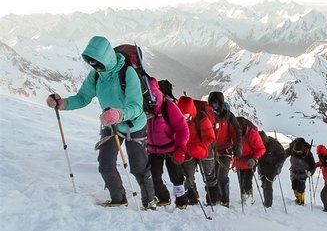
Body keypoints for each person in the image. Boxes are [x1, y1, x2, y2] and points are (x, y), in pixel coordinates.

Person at [45, 36, 157, 209]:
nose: (95, 66)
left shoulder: (127, 73)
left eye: (97, 62)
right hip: (109, 124)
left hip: (133, 125)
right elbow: (83, 97)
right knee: (105, 164)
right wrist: (62, 104)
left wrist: (119, 115)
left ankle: (149, 201)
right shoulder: (96, 75)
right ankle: (118, 198)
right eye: (91, 62)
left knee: (138, 167)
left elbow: (136, 106)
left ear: (106, 58)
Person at [146, 79, 190, 209]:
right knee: (154, 177)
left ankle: (181, 201)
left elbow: (182, 128)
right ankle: (163, 198)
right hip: (153, 149)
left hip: (171, 148)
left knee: (176, 177)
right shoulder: (146, 108)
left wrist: (181, 148)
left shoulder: (169, 107)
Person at [176, 96, 219, 206]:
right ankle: (193, 199)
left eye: (185, 115)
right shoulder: (178, 120)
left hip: (204, 148)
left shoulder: (202, 118)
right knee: (188, 175)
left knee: (209, 172)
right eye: (181, 115)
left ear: (191, 112)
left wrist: (202, 147)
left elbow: (210, 136)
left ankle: (213, 200)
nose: (183, 118)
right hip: (188, 151)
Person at [208, 91, 242, 207]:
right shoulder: (208, 115)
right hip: (211, 150)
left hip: (225, 150)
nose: (214, 106)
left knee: (222, 176)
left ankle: (224, 200)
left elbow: (236, 131)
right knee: (212, 175)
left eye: (216, 103)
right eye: (213, 103)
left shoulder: (228, 116)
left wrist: (237, 146)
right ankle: (214, 199)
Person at [233, 117, 265, 204]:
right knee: (241, 180)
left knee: (247, 181)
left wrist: (254, 158)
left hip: (250, 161)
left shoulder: (252, 134)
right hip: (239, 161)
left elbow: (261, 148)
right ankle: (245, 198)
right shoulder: (234, 132)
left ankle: (247, 198)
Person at [257, 131, 287, 207]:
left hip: (272, 168)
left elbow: (283, 155)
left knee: (267, 185)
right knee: (264, 185)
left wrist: (278, 165)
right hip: (262, 168)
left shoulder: (274, 144)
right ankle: (267, 202)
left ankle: (268, 204)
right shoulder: (256, 144)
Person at [285, 137, 316, 206]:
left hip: (303, 172)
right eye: (295, 151)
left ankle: (301, 202)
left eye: (299, 152)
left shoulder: (308, 153)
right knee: (294, 186)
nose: (297, 153)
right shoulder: (291, 149)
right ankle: (297, 199)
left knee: (300, 188)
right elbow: (284, 155)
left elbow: (313, 164)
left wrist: (311, 172)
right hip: (293, 171)